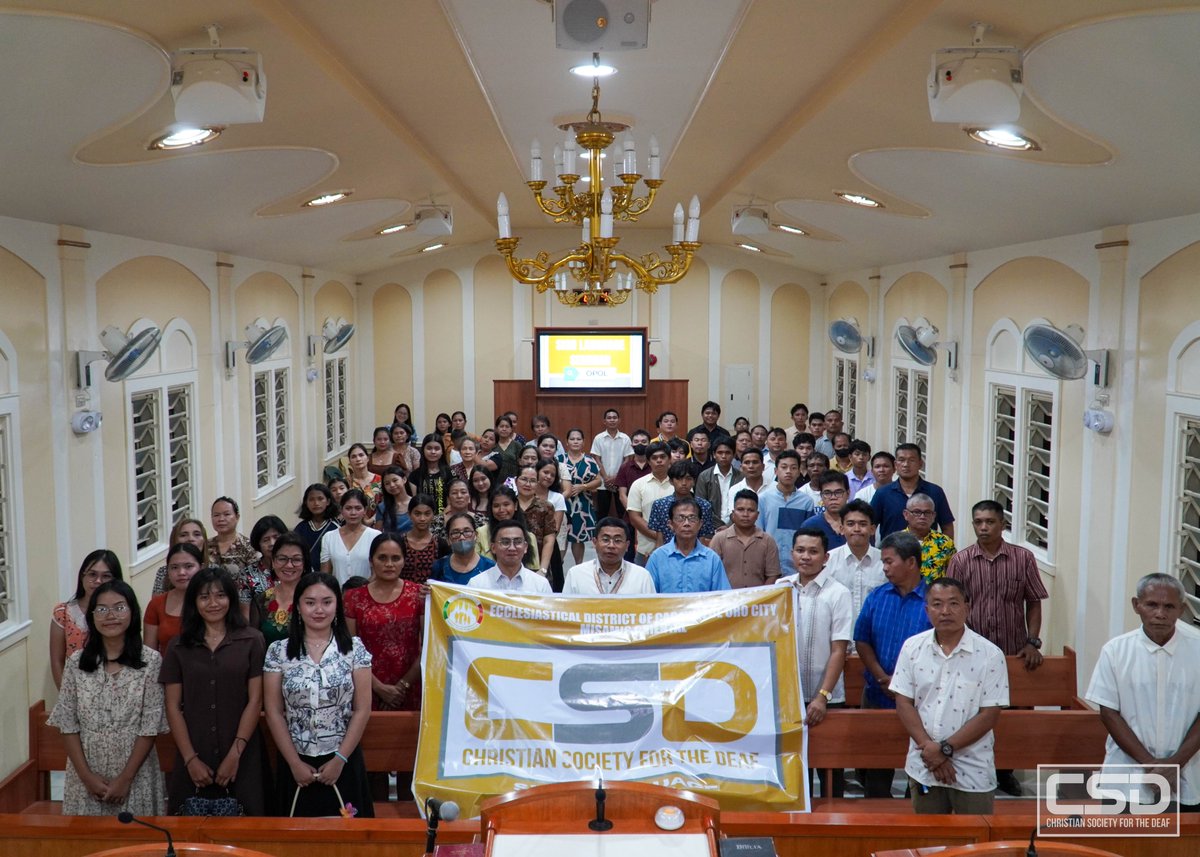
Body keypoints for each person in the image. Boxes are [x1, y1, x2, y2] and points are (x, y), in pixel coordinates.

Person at [892, 578, 1009, 814]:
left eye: (953, 603)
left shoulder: (990, 655)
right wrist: (930, 750)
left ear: (968, 606)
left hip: (972, 768)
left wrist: (944, 750)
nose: (945, 611)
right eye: (937, 604)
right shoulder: (912, 648)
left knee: (975, 846)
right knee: (929, 843)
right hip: (924, 767)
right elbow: (903, 702)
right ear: (927, 610)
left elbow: (990, 714)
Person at [49, 580, 167, 816]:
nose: (110, 615)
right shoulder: (76, 663)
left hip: (135, 775)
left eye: (119, 607)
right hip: (86, 774)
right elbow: (68, 724)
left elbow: (149, 727)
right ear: (92, 617)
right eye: (101, 609)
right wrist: (87, 777)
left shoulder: (151, 662)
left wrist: (125, 779)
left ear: (132, 613)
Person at [1086, 573, 1200, 812]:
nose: (1160, 613)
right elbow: (1109, 713)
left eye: (1169, 606)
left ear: (1181, 609)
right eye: (1152, 605)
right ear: (1136, 606)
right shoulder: (1115, 651)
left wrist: (1174, 765)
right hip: (1127, 775)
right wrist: (1151, 766)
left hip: (1188, 776)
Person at [264, 572, 374, 818]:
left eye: (327, 602)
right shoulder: (278, 651)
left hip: (341, 759)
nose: (319, 610)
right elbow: (273, 711)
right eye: (310, 602)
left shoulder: (354, 649)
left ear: (337, 604)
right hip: (296, 762)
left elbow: (362, 709)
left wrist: (339, 759)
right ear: (299, 607)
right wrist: (294, 763)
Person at [160, 567, 267, 816]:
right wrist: (190, 759)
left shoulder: (252, 640)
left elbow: (255, 700)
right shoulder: (179, 646)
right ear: (194, 602)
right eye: (204, 597)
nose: (213, 603)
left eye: (220, 595)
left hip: (243, 753)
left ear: (230, 598)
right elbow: (173, 706)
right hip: (195, 749)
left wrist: (235, 754)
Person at [854, 532, 933, 797]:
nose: (884, 568)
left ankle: (919, 815)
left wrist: (902, 685)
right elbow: (862, 639)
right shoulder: (878, 596)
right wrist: (880, 676)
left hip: (922, 702)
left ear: (911, 562)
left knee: (922, 770)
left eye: (889, 562)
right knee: (875, 769)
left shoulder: (934, 601)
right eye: (883, 562)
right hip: (878, 693)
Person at [776, 528, 852, 797]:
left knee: (831, 774)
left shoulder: (839, 593)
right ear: (791, 553)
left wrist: (822, 696)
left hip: (828, 698)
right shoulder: (779, 588)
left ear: (825, 557)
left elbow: (839, 650)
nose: (805, 557)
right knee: (796, 773)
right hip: (788, 698)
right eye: (800, 550)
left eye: (813, 551)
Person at [947, 500, 1048, 668]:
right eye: (978, 522)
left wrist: (1032, 643)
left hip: (1014, 651)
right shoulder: (960, 561)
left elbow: (1034, 602)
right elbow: (953, 605)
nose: (983, 527)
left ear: (1003, 525)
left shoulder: (1023, 558)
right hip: (971, 651)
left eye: (990, 522)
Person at [345, 533, 424, 712]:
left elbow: (427, 647)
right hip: (365, 684)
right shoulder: (353, 597)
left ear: (404, 561)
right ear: (371, 561)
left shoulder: (419, 595)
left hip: (410, 685)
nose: (389, 564)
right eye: (382, 558)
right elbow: (350, 648)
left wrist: (402, 686)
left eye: (395, 558)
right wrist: (378, 687)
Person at [52, 549, 124, 689]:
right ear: (82, 576)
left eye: (106, 576)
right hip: (77, 690)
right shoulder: (63, 613)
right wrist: (66, 696)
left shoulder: (122, 612)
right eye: (92, 574)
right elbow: (57, 660)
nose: (97, 581)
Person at [825, 500, 885, 652]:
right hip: (836, 644)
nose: (856, 529)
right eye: (850, 524)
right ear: (841, 528)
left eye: (863, 524)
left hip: (875, 644)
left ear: (872, 529)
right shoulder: (828, 561)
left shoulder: (885, 562)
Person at [646, 499, 732, 593]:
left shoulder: (712, 559)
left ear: (700, 524)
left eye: (692, 518)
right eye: (680, 518)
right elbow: (649, 598)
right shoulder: (657, 557)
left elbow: (722, 597)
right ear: (670, 524)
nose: (686, 523)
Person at [870, 444, 955, 540]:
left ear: (920, 464)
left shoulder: (935, 492)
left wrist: (945, 551)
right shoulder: (882, 493)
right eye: (901, 460)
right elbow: (870, 526)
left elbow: (947, 526)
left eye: (911, 460)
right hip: (892, 552)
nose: (906, 464)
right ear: (895, 464)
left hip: (928, 553)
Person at [756, 450, 815, 576]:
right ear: (776, 471)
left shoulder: (806, 502)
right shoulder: (763, 499)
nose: (788, 471)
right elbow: (758, 532)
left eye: (793, 468)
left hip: (797, 564)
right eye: (784, 467)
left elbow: (809, 536)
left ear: (799, 472)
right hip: (768, 563)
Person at [709, 489, 781, 588]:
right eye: (740, 509)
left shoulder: (768, 541)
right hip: (726, 600)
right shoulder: (719, 539)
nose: (745, 514)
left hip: (759, 601)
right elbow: (710, 574)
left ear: (757, 515)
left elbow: (773, 575)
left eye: (751, 510)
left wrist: (761, 598)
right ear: (733, 513)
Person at [563, 518, 655, 595]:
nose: (611, 545)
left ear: (627, 546)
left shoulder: (641, 576)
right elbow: (565, 612)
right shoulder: (576, 574)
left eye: (617, 540)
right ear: (595, 542)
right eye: (605, 540)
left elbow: (651, 613)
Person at [145, 543, 203, 655]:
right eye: (174, 567)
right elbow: (150, 654)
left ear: (201, 567)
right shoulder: (156, 604)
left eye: (188, 566)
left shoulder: (213, 602)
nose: (181, 573)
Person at [469, 520, 554, 593]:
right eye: (505, 542)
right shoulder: (477, 584)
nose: (512, 548)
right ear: (493, 548)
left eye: (517, 542)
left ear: (525, 547)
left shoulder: (541, 585)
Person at [626, 441, 674, 564]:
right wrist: (660, 537)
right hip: (646, 549)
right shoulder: (638, 485)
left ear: (670, 459)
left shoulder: (681, 483)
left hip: (678, 547)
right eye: (654, 458)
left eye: (663, 457)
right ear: (648, 462)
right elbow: (634, 518)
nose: (659, 461)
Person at [320, 489, 382, 585]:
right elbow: (325, 574)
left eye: (358, 508)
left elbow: (378, 572)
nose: (353, 513)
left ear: (365, 510)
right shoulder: (329, 537)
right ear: (341, 510)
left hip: (366, 594)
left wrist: (359, 591)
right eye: (348, 508)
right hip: (338, 596)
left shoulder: (375, 536)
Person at [257, 533, 309, 647]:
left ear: (305, 563)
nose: (289, 565)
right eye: (282, 559)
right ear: (273, 562)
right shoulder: (262, 599)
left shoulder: (315, 598)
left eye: (296, 559)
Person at [648, 461, 716, 548]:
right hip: (668, 554)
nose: (684, 483)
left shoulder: (704, 506)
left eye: (688, 478)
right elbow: (659, 539)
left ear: (694, 481)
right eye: (679, 479)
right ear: (671, 481)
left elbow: (703, 537)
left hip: (695, 554)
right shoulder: (660, 505)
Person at [476, 486, 540, 572]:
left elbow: (533, 571)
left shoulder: (530, 537)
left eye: (506, 505)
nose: (501, 510)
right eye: (496, 506)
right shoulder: (480, 533)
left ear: (516, 505)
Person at [515, 464, 558, 580]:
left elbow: (549, 539)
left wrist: (543, 569)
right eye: (524, 479)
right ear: (516, 481)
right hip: (511, 565)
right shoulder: (508, 505)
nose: (528, 484)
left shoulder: (546, 507)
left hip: (538, 567)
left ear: (537, 483)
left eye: (533, 481)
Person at [902, 493, 956, 582]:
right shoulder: (896, 542)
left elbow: (953, 576)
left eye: (927, 513)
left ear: (934, 516)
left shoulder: (945, 543)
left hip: (937, 594)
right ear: (906, 514)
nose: (922, 517)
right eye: (917, 512)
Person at [238, 515, 288, 611]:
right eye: (266, 540)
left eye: (276, 537)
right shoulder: (247, 575)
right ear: (258, 544)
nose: (272, 543)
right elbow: (245, 617)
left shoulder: (297, 568)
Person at [590, 408, 633, 519]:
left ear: (619, 420)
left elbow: (627, 459)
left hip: (621, 483)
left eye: (614, 418)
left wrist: (616, 478)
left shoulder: (625, 438)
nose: (612, 420)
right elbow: (596, 459)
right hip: (603, 483)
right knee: (601, 514)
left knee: (622, 513)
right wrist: (606, 478)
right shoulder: (598, 438)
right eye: (609, 418)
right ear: (604, 421)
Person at [431, 512, 496, 585]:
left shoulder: (490, 567)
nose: (462, 537)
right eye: (455, 533)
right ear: (448, 539)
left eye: (467, 531)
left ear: (476, 536)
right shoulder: (439, 567)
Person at [400, 494, 451, 585]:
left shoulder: (441, 544)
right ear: (409, 514)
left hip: (431, 596)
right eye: (417, 514)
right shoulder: (399, 542)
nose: (422, 519)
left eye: (427, 514)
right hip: (404, 595)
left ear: (433, 514)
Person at [152, 518, 209, 593]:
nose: (191, 539)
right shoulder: (163, 572)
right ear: (174, 540)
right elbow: (157, 602)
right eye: (183, 535)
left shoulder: (215, 570)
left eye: (197, 534)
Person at [696, 436, 743, 528]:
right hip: (710, 528)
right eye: (720, 453)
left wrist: (729, 526)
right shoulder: (704, 476)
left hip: (736, 527)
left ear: (734, 455)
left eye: (728, 453)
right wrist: (720, 526)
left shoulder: (741, 477)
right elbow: (701, 505)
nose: (723, 456)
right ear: (714, 454)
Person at [294, 483, 339, 573]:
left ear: (328, 501)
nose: (316, 503)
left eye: (320, 499)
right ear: (306, 502)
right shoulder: (300, 528)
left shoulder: (335, 528)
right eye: (311, 500)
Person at [802, 470, 851, 550]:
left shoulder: (857, 525)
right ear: (821, 495)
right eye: (827, 493)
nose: (833, 497)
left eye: (838, 492)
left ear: (848, 493)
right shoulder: (810, 526)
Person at [208, 497, 259, 575]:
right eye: (216, 515)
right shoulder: (205, 546)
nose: (221, 519)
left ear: (237, 517)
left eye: (227, 514)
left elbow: (256, 578)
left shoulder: (249, 547)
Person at [406, 434, 453, 515]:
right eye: (429, 448)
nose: (433, 452)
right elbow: (413, 501)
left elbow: (452, 500)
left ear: (442, 451)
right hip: (422, 518)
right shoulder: (414, 475)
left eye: (437, 448)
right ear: (423, 450)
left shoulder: (450, 473)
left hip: (445, 517)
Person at [345, 443, 382, 521]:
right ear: (350, 461)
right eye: (353, 457)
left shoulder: (380, 480)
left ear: (368, 458)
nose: (358, 459)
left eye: (361, 455)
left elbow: (386, 504)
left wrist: (371, 520)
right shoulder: (346, 482)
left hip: (378, 523)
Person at [376, 466, 414, 534]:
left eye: (395, 480)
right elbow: (378, 534)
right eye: (387, 483)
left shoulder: (416, 503)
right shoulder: (382, 507)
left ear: (404, 479)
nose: (392, 485)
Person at [492, 415, 523, 482]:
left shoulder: (517, 445)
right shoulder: (492, 445)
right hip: (494, 483)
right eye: (501, 426)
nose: (504, 429)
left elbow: (521, 465)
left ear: (511, 429)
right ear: (496, 428)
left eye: (507, 426)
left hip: (512, 483)